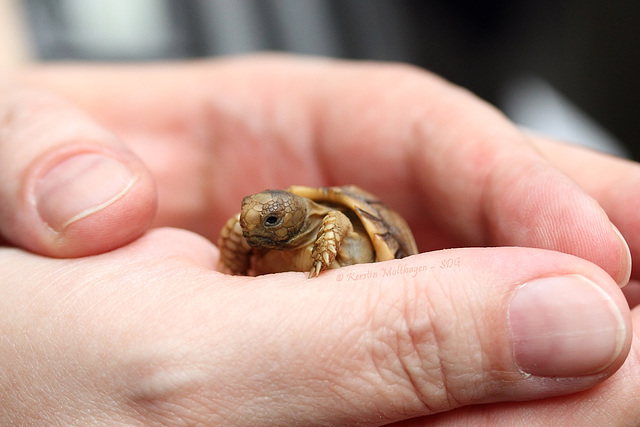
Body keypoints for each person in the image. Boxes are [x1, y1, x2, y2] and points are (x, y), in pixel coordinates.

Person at [0, 55, 638, 425]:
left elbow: (337, 230)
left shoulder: (331, 222)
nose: (255, 225)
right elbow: (237, 238)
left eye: (269, 221)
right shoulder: (255, 220)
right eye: (254, 218)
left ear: (295, 220)